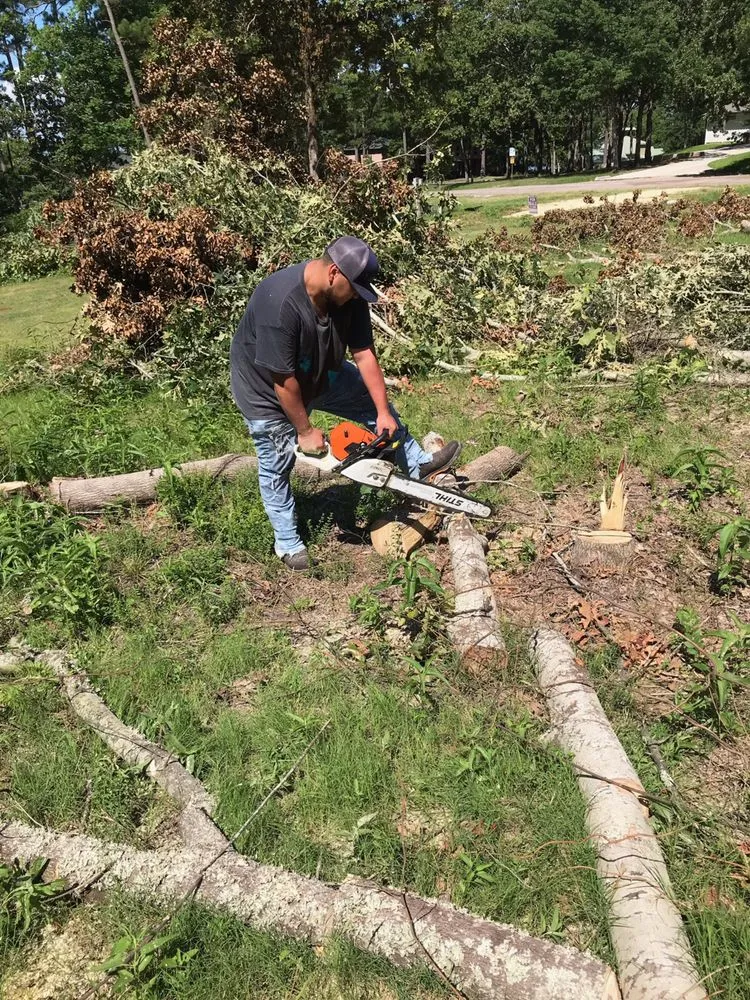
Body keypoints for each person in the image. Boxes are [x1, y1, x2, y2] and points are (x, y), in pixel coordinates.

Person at [230, 236, 461, 570]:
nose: (356, 296)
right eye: (353, 288)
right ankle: (287, 542)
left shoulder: (349, 297)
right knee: (276, 460)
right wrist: (305, 430)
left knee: (368, 398)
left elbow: (364, 354)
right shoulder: (279, 303)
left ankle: (416, 463)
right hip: (267, 391)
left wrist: (382, 412)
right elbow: (283, 381)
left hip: (319, 371)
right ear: (334, 273)